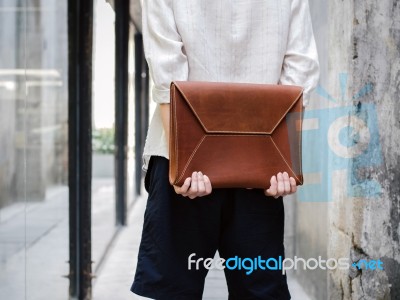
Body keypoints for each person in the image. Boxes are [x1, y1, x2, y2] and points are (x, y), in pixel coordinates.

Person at [131, 0, 319, 299]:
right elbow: (300, 74)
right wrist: (283, 160)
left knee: (174, 289)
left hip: (182, 156)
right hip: (259, 161)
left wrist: (184, 165)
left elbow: (167, 78)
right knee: (259, 289)